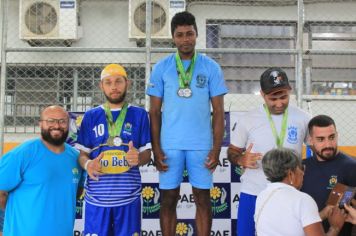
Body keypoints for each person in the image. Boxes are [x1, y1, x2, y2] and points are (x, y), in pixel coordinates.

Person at [146, 11, 228, 236]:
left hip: (201, 145)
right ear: (173, 37)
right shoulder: (161, 68)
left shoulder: (211, 67)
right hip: (169, 145)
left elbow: (219, 112)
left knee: (202, 198)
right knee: (168, 199)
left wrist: (216, 148)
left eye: (190, 34)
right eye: (180, 35)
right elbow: (154, 112)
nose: (185, 39)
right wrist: (156, 148)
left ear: (197, 34)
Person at [227, 67, 311, 236]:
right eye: (273, 98)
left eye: (283, 97)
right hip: (253, 192)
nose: (279, 103)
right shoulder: (248, 119)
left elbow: (315, 150)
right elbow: (232, 152)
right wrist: (241, 159)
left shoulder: (303, 118)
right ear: (262, 95)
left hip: (290, 194)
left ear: (290, 91)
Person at [76, 63, 151, 236]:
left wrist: (138, 158)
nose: (114, 87)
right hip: (97, 200)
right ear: (101, 86)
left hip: (129, 199)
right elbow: (82, 155)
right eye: (108, 82)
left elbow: (147, 153)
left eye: (118, 81)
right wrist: (87, 165)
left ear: (128, 83)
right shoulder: (90, 116)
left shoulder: (140, 115)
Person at [0, 105, 81, 236]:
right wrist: (20, 214)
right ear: (40, 124)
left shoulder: (76, 157)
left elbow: (75, 192)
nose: (57, 125)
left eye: (62, 121)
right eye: (50, 121)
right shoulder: (22, 154)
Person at [255, 148, 344, 236]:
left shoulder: (262, 195)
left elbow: (292, 223)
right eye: (301, 168)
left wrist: (323, 213)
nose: (303, 173)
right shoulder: (303, 199)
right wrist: (335, 227)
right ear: (291, 174)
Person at [301, 115, 356, 235]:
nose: (328, 144)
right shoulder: (301, 168)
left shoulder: (352, 166)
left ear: (337, 135)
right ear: (310, 140)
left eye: (331, 137)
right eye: (321, 139)